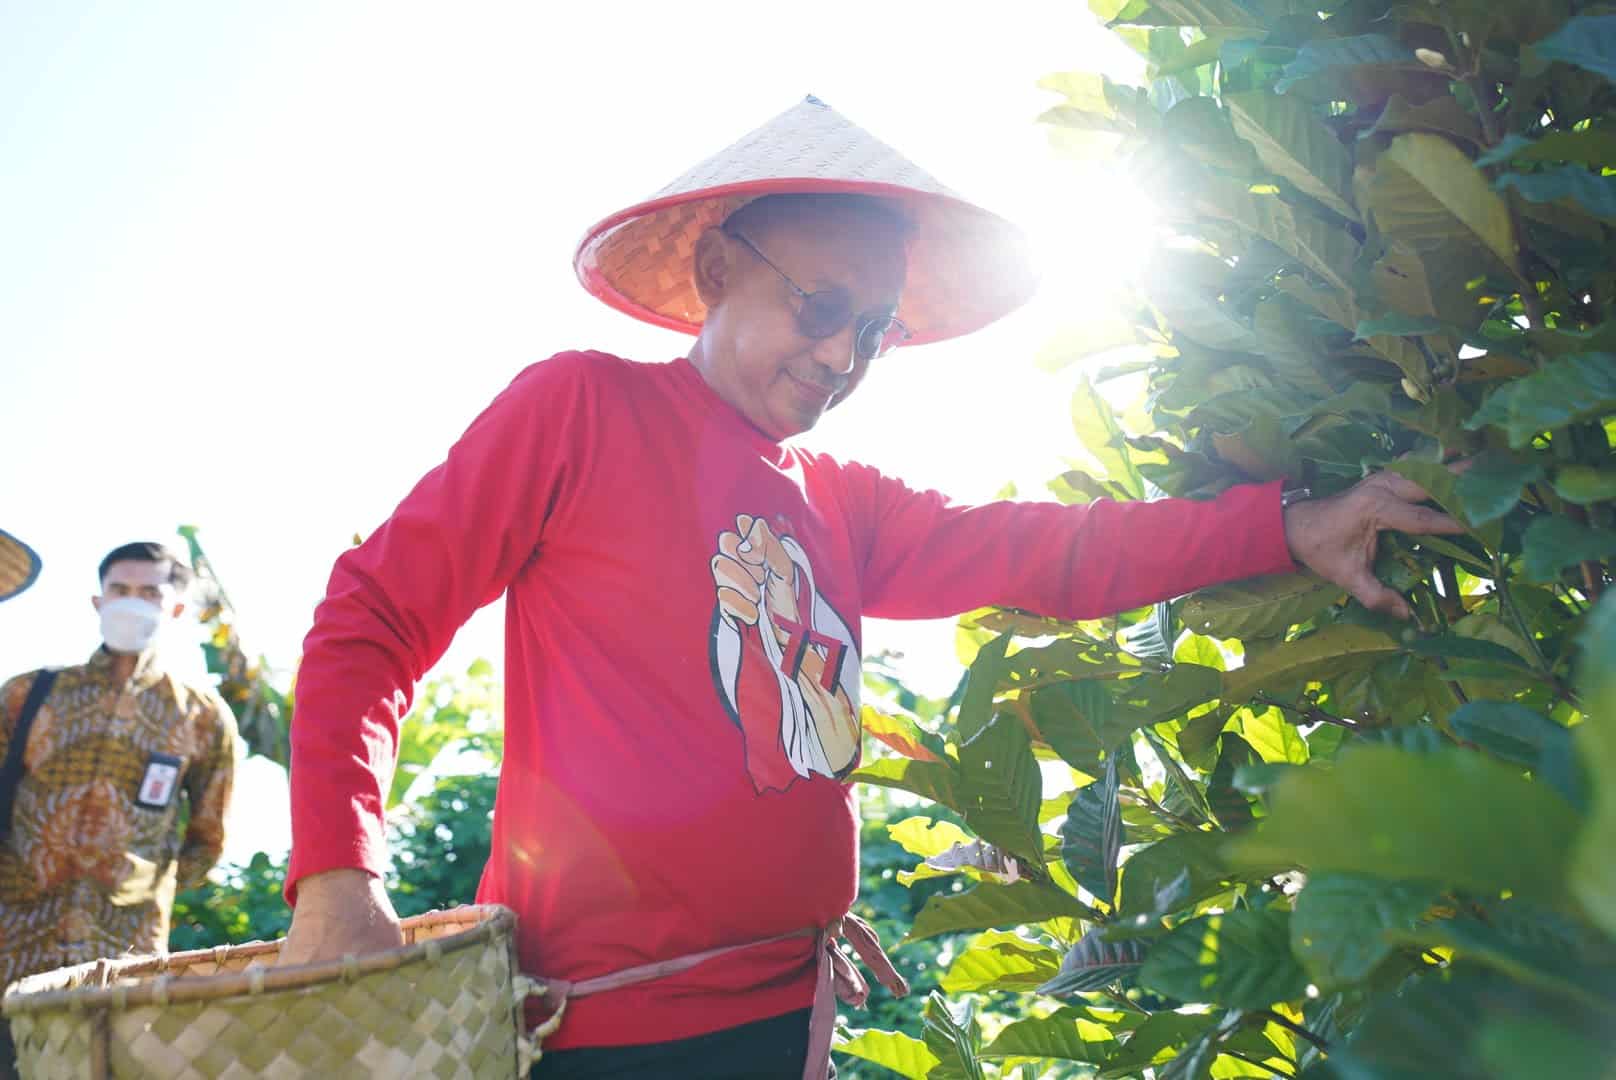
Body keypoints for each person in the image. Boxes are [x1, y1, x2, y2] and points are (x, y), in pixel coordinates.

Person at [280, 97, 1463, 1079]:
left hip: (785, 1015)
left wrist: (1283, 526)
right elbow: (370, 621)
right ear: (713, 270)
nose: (843, 358)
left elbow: (1047, 552)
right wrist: (337, 877)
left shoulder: (838, 498)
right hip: (593, 1028)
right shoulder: (582, 410)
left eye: (875, 332)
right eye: (821, 308)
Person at [0, 542, 238, 1001]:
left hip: (124, 959)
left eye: (149, 592)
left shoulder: (202, 717)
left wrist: (138, 890)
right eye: (120, 589)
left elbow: (208, 840)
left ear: (176, 609)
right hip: (13, 944)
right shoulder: (26, 695)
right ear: (98, 601)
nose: (132, 601)